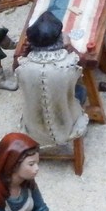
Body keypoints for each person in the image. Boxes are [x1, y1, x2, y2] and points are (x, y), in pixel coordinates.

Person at [16, 11, 89, 148]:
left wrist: (24, 53)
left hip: (34, 129)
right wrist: (69, 46)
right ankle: (75, 124)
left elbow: (16, 68)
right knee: (81, 90)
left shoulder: (23, 66)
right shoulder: (68, 64)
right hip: (67, 127)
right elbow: (84, 63)